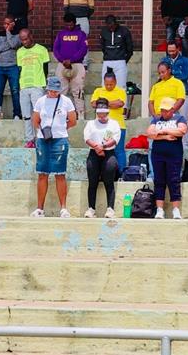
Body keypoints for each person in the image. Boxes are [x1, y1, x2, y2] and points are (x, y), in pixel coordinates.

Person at [30, 77, 77, 218]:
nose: (53, 93)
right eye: (51, 90)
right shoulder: (41, 101)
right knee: (42, 173)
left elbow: (73, 121)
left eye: (55, 91)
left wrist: (60, 129)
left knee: (60, 173)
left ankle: (63, 208)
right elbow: (36, 121)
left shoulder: (66, 101)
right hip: (43, 140)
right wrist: (44, 131)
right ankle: (39, 208)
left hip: (60, 139)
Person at [147, 96, 188, 219]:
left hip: (174, 155)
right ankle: (159, 209)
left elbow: (181, 131)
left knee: (174, 180)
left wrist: (163, 130)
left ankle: (176, 209)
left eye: (166, 110)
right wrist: (164, 136)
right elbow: (150, 133)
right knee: (159, 180)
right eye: (162, 110)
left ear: (172, 110)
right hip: (158, 154)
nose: (163, 113)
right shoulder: (156, 120)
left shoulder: (179, 118)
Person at [83, 98, 121, 219]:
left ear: (107, 112)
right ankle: (91, 208)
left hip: (108, 153)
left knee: (108, 181)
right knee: (92, 181)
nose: (101, 116)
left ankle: (110, 208)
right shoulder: (90, 124)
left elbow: (115, 139)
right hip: (94, 153)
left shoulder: (114, 124)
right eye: (99, 113)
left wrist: (103, 146)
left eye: (103, 113)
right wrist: (96, 147)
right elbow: (87, 138)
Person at [17, 28, 50, 148]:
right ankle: (30, 140)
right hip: (24, 86)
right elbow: (20, 69)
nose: (24, 42)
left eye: (26, 39)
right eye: (22, 40)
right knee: (26, 115)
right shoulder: (19, 52)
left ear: (31, 36)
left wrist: (43, 84)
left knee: (39, 114)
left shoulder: (42, 50)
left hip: (37, 85)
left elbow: (45, 68)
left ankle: (40, 138)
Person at [53, 13, 89, 119]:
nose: (69, 26)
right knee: (61, 90)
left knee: (78, 90)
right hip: (62, 64)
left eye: (71, 24)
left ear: (74, 22)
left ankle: (80, 114)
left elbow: (83, 49)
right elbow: (55, 49)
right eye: (67, 24)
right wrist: (62, 60)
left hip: (77, 64)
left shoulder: (81, 34)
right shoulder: (60, 34)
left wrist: (71, 60)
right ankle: (60, 114)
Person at [91, 70, 128, 170]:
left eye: (111, 84)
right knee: (102, 150)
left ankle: (121, 173)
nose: (108, 86)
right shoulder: (98, 91)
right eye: (106, 84)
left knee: (119, 151)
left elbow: (120, 103)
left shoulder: (121, 91)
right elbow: (93, 104)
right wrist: (111, 104)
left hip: (118, 126)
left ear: (115, 82)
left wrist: (103, 103)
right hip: (100, 127)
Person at [0, 16, 23, 120]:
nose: (6, 25)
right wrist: (9, 45)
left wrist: (8, 33)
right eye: (5, 23)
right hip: (0, 66)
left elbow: (14, 44)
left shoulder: (18, 35)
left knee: (15, 91)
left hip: (13, 66)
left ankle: (17, 114)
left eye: (8, 24)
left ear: (13, 24)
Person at [163, 41, 188, 146]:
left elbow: (185, 76)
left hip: (182, 93)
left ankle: (186, 145)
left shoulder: (185, 60)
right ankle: (170, 142)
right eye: (169, 51)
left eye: (173, 50)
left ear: (178, 49)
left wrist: (171, 75)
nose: (171, 53)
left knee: (183, 119)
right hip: (168, 94)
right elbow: (162, 77)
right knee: (169, 119)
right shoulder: (164, 60)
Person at [99, 15, 133, 91]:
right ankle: (106, 103)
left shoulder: (124, 31)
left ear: (116, 23)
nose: (111, 27)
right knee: (105, 86)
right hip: (107, 61)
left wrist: (123, 60)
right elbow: (103, 47)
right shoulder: (103, 32)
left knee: (121, 87)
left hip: (120, 61)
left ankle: (122, 103)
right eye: (109, 25)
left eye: (112, 25)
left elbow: (130, 49)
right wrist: (108, 56)